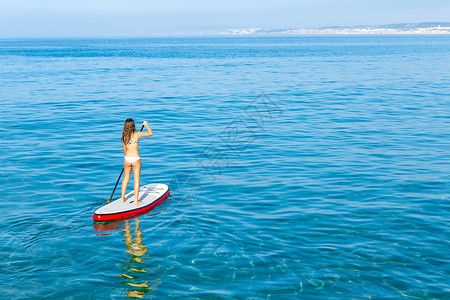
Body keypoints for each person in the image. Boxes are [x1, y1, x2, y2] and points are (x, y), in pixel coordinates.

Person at [121, 119, 153, 205]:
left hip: (127, 159)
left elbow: (125, 150)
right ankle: (136, 201)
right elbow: (150, 133)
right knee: (136, 179)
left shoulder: (123, 137)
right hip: (136, 159)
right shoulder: (137, 134)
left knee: (125, 178)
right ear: (133, 126)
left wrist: (128, 157)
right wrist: (146, 125)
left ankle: (122, 198)